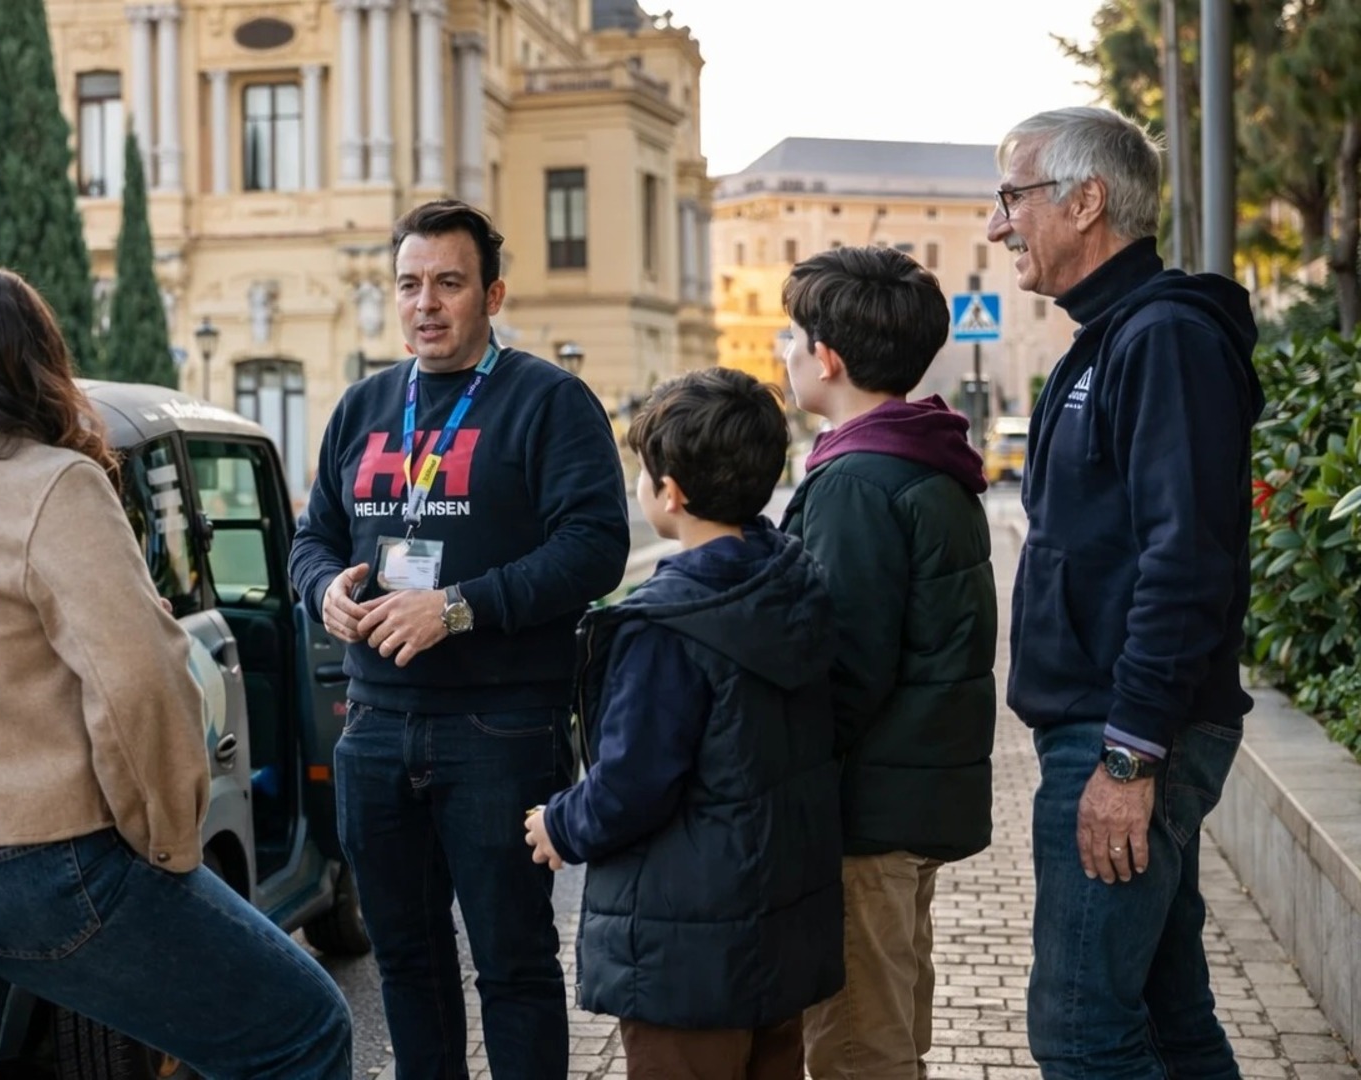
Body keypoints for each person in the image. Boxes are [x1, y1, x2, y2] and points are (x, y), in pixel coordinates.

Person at [0, 264, 352, 1079]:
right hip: (26, 862)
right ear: (35, 362)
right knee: (303, 1029)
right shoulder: (54, 485)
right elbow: (141, 683)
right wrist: (168, 843)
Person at [289, 199, 630, 1079]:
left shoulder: (549, 402)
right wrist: (323, 589)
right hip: (372, 723)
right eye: (409, 284)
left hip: (501, 728)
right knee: (404, 960)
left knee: (512, 965)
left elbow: (595, 547)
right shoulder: (364, 404)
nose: (426, 303)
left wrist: (460, 606)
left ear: (492, 294)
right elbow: (312, 538)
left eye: (448, 283)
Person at [989, 107, 1262, 1078]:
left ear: (1087, 199)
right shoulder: (1108, 340)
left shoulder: (1161, 342)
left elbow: (1184, 559)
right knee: (1167, 1017)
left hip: (1126, 735)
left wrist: (1130, 757)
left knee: (1081, 1030)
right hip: (1116, 728)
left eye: (1013, 198)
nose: (998, 225)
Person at [524, 368, 845, 1080]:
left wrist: (560, 824)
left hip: (686, 953)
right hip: (780, 926)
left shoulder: (666, 625)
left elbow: (633, 782)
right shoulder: (792, 582)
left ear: (669, 492)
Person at [775, 246, 999, 1079]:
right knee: (890, 1024)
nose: (785, 351)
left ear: (826, 358)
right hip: (914, 795)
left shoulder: (858, 482)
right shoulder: (926, 458)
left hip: (865, 814)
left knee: (856, 1046)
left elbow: (843, 667)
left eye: (792, 336)